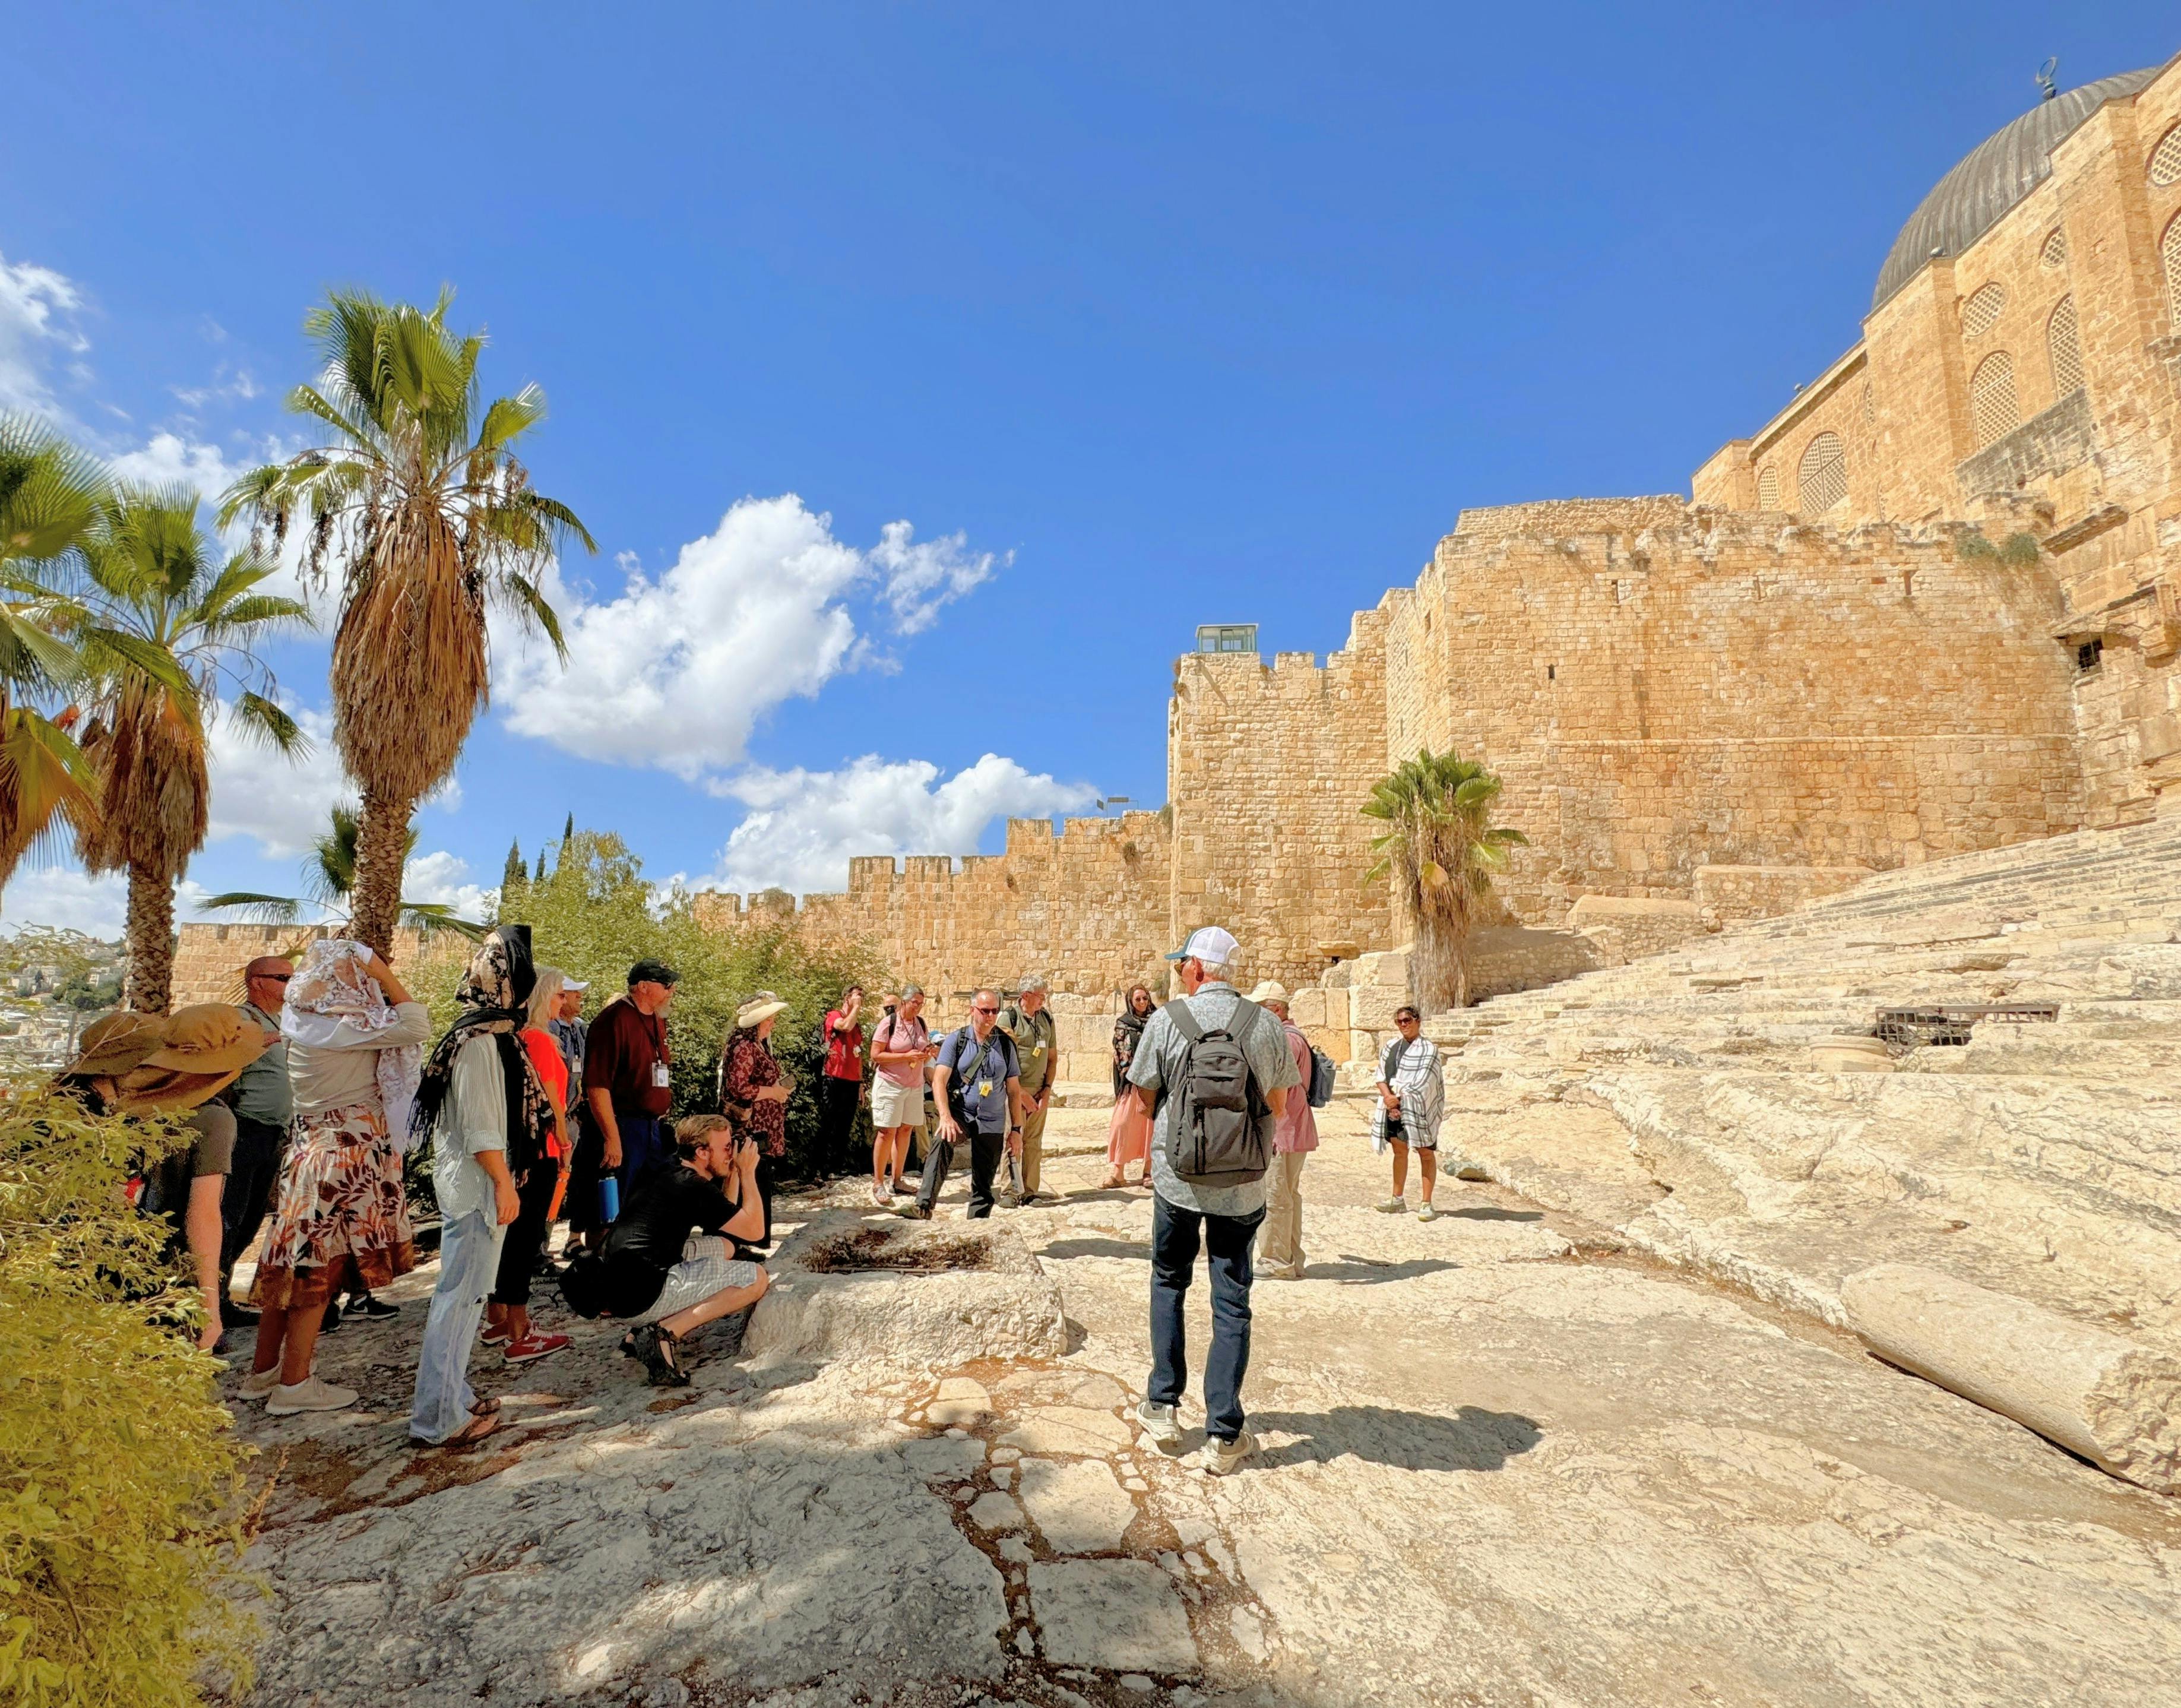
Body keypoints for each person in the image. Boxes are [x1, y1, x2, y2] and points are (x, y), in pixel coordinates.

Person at [1127, 926, 1297, 1476]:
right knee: (1231, 1300)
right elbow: (1277, 1102)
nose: (1178, 971)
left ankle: (1162, 1406)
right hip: (1242, 1186)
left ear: (1199, 968)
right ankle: (1224, 1433)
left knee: (1169, 1281)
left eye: (1183, 964)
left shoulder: (1165, 1021)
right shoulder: (1265, 1024)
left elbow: (1142, 1097)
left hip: (1178, 1181)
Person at [245, 940, 429, 1416]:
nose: (361, 981)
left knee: (289, 1262)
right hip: (345, 1157)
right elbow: (416, 1023)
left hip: (314, 1151)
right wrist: (383, 974)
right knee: (316, 1272)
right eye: (354, 973)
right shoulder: (338, 1027)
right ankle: (295, 1384)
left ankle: (263, 1373)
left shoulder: (304, 1019)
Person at [407, 927, 555, 1448]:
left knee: (467, 1299)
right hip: (477, 1189)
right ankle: (437, 1417)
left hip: (483, 1186)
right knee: (459, 1297)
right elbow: (480, 1127)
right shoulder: (477, 1045)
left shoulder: (489, 1038)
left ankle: (452, 1392)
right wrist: (502, 1182)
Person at [61, 1008, 265, 1354]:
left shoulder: (61, 1108)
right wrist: (210, 1309)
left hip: (74, 1276)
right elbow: (203, 1217)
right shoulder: (209, 1118)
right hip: (159, 1284)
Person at [599, 1114, 770, 1387]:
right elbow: (755, 1231)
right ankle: (663, 1333)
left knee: (725, 1247)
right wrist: (749, 1173)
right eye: (726, 1147)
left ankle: (636, 1335)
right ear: (703, 1152)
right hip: (643, 1296)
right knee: (756, 1278)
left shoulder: (671, 1170)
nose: (732, 1152)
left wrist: (735, 1170)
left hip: (622, 1285)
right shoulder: (691, 1187)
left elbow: (726, 1226)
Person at [482, 964, 575, 1364]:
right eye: (558, 995)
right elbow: (550, 1095)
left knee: (512, 1239)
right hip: (543, 1150)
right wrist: (565, 1139)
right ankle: (518, 1330)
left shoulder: (521, 1037)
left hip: (527, 1149)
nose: (564, 1002)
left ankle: (498, 1318)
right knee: (525, 1238)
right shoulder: (538, 1038)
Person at [577, 960, 678, 1247]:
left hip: (651, 1127)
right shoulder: (613, 1020)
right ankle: (598, 1271)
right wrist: (612, 1138)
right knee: (609, 1207)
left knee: (647, 1203)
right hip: (622, 1125)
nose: (672, 990)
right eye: (666, 984)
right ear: (643, 987)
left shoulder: (657, 1019)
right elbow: (597, 1085)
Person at [900, 989, 1021, 1222]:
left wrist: (1016, 1130)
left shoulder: (1006, 1045)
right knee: (941, 1142)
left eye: (995, 1011)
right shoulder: (957, 1040)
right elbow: (939, 1080)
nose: (990, 1016)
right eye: (985, 1011)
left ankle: (976, 1225)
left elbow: (1014, 1091)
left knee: (984, 1183)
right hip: (961, 1114)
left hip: (992, 1119)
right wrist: (945, 1117)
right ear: (972, 1010)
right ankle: (923, 1205)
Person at [220, 954, 293, 1331]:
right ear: (258, 982)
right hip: (245, 1129)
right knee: (228, 1218)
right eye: (283, 977)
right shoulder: (241, 1020)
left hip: (272, 1131)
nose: (290, 983)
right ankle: (212, 1306)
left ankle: (223, 1299)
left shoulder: (277, 1021)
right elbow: (222, 1063)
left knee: (249, 1221)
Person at [1249, 982, 1318, 1280]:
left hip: (1283, 1129)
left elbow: (1276, 1090)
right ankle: (1292, 1258)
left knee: (1276, 1195)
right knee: (1288, 1194)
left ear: (1275, 1009)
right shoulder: (1295, 1037)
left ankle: (1277, 1260)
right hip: (1294, 1127)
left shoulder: (1286, 1041)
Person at [717, 991, 792, 1247]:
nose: (773, 1023)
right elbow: (738, 1087)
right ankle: (745, 1242)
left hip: (762, 1126)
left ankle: (754, 1239)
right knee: (750, 1181)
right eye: (769, 1019)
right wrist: (773, 1091)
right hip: (750, 1127)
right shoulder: (744, 1047)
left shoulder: (756, 1045)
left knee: (758, 1181)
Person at [1373, 1006, 1446, 1221]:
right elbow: (1381, 1075)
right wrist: (1388, 1098)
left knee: (1425, 1152)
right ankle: (1397, 1199)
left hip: (1418, 1108)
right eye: (1399, 1022)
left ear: (1417, 1021)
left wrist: (1399, 1099)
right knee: (1399, 1151)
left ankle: (1426, 1202)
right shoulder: (1391, 1047)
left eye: (1407, 1020)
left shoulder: (1429, 1050)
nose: (1403, 1025)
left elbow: (1425, 1082)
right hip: (1392, 1107)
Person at [868, 984, 934, 1204]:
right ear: (904, 1002)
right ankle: (878, 1182)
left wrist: (928, 1052)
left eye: (921, 1003)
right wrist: (906, 1056)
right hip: (890, 1084)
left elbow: (921, 1047)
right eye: (915, 1002)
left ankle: (898, 1180)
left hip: (913, 1085)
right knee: (887, 1131)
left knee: (906, 1130)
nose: (918, 1007)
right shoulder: (889, 1023)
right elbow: (876, 1055)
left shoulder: (921, 1023)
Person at [997, 976, 1058, 1207]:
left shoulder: (1047, 1019)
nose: (1044, 1000)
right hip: (1014, 1090)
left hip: (1039, 1091)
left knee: (1034, 1142)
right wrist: (1020, 1093)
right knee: (1013, 1139)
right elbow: (1000, 1059)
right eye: (1041, 996)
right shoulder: (1009, 1018)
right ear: (1026, 996)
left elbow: (1052, 1058)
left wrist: (1046, 1091)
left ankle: (1030, 1190)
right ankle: (1011, 1191)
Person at [1101, 983, 1156, 1189]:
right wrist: (1134, 1073)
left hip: (1154, 1083)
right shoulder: (1124, 1024)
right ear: (1131, 1002)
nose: (1142, 1003)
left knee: (1151, 1128)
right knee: (1122, 1125)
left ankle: (1148, 1170)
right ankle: (1118, 1173)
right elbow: (1120, 1052)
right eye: (1138, 999)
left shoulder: (1158, 1020)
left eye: (1145, 998)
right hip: (1132, 1083)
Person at [818, 985, 866, 1178]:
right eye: (857, 995)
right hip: (833, 1076)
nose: (860, 998)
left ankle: (837, 1167)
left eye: (862, 996)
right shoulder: (833, 1015)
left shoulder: (858, 1025)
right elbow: (844, 1026)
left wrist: (861, 1082)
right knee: (830, 1122)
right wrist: (855, 1008)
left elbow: (859, 1053)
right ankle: (823, 1168)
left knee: (845, 1125)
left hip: (852, 1081)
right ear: (846, 998)